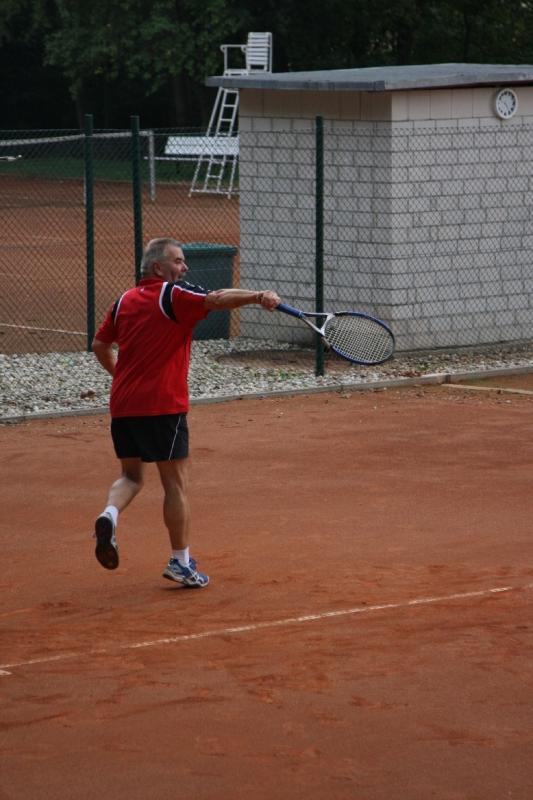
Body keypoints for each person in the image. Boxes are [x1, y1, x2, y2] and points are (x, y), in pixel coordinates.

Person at [92, 237, 280, 588]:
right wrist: (258, 296)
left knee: (131, 476)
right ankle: (180, 562)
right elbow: (216, 299)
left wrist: (121, 377)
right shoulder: (173, 295)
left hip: (124, 406)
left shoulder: (123, 301)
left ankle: (109, 514)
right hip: (163, 405)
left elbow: (100, 345)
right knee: (175, 484)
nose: (185, 267)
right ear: (158, 268)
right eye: (178, 261)